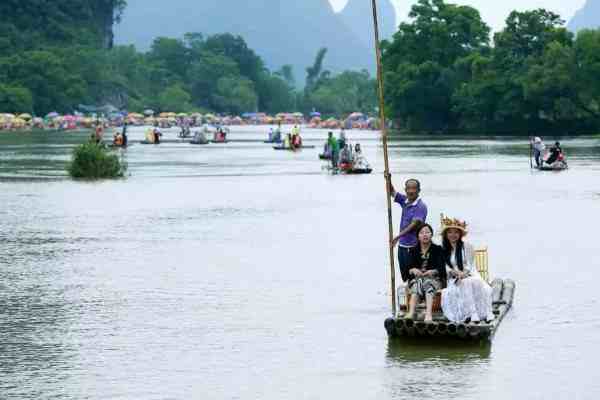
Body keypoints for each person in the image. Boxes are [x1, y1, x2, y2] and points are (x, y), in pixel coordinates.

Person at [440, 215, 494, 324]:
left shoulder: (467, 246)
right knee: (463, 283)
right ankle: (472, 313)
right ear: (446, 234)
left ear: (460, 234)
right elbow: (444, 267)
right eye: (450, 232)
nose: (453, 235)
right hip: (453, 277)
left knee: (475, 282)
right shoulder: (442, 249)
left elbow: (470, 264)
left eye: (456, 232)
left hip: (469, 273)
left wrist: (464, 273)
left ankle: (487, 312)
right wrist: (455, 272)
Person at [404, 224, 447, 322]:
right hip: (417, 280)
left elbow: (442, 269)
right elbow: (407, 270)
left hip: (434, 280)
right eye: (422, 233)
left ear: (431, 235)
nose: (425, 235)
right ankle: (411, 312)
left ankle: (428, 314)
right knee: (418, 282)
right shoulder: (412, 250)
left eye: (427, 232)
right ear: (418, 236)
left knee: (428, 283)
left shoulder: (438, 249)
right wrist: (413, 270)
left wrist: (433, 271)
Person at [388, 177, 428, 281]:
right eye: (408, 188)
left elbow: (413, 225)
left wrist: (398, 236)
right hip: (402, 246)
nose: (411, 191)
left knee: (413, 277)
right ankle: (407, 295)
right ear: (405, 190)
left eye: (414, 188)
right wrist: (388, 179)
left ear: (419, 190)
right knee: (405, 277)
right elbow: (391, 192)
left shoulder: (420, 206)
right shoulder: (405, 201)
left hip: (413, 247)